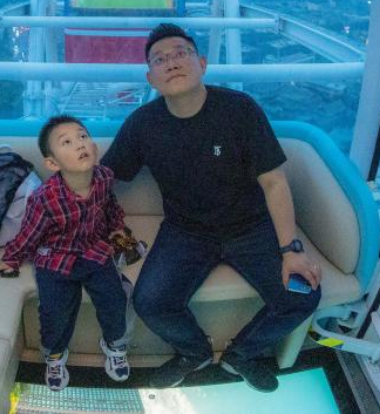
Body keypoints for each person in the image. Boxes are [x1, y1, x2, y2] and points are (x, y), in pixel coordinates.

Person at [101, 23, 324, 393]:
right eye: (160, 59)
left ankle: (242, 354)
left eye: (180, 53)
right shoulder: (143, 124)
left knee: (303, 297)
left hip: (250, 227)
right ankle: (194, 353)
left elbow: (274, 182)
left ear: (202, 63)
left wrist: (290, 250)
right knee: (150, 302)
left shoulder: (239, 110)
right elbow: (106, 177)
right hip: (185, 232)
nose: (171, 63)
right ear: (151, 78)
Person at [0, 115, 131, 391]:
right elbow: (29, 234)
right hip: (55, 259)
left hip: (95, 251)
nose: (80, 144)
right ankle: (55, 356)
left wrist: (117, 229)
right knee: (54, 313)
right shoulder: (45, 197)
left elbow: (110, 207)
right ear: (53, 163)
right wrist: (11, 258)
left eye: (83, 136)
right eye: (66, 142)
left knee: (115, 300)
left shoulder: (104, 177)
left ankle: (115, 345)